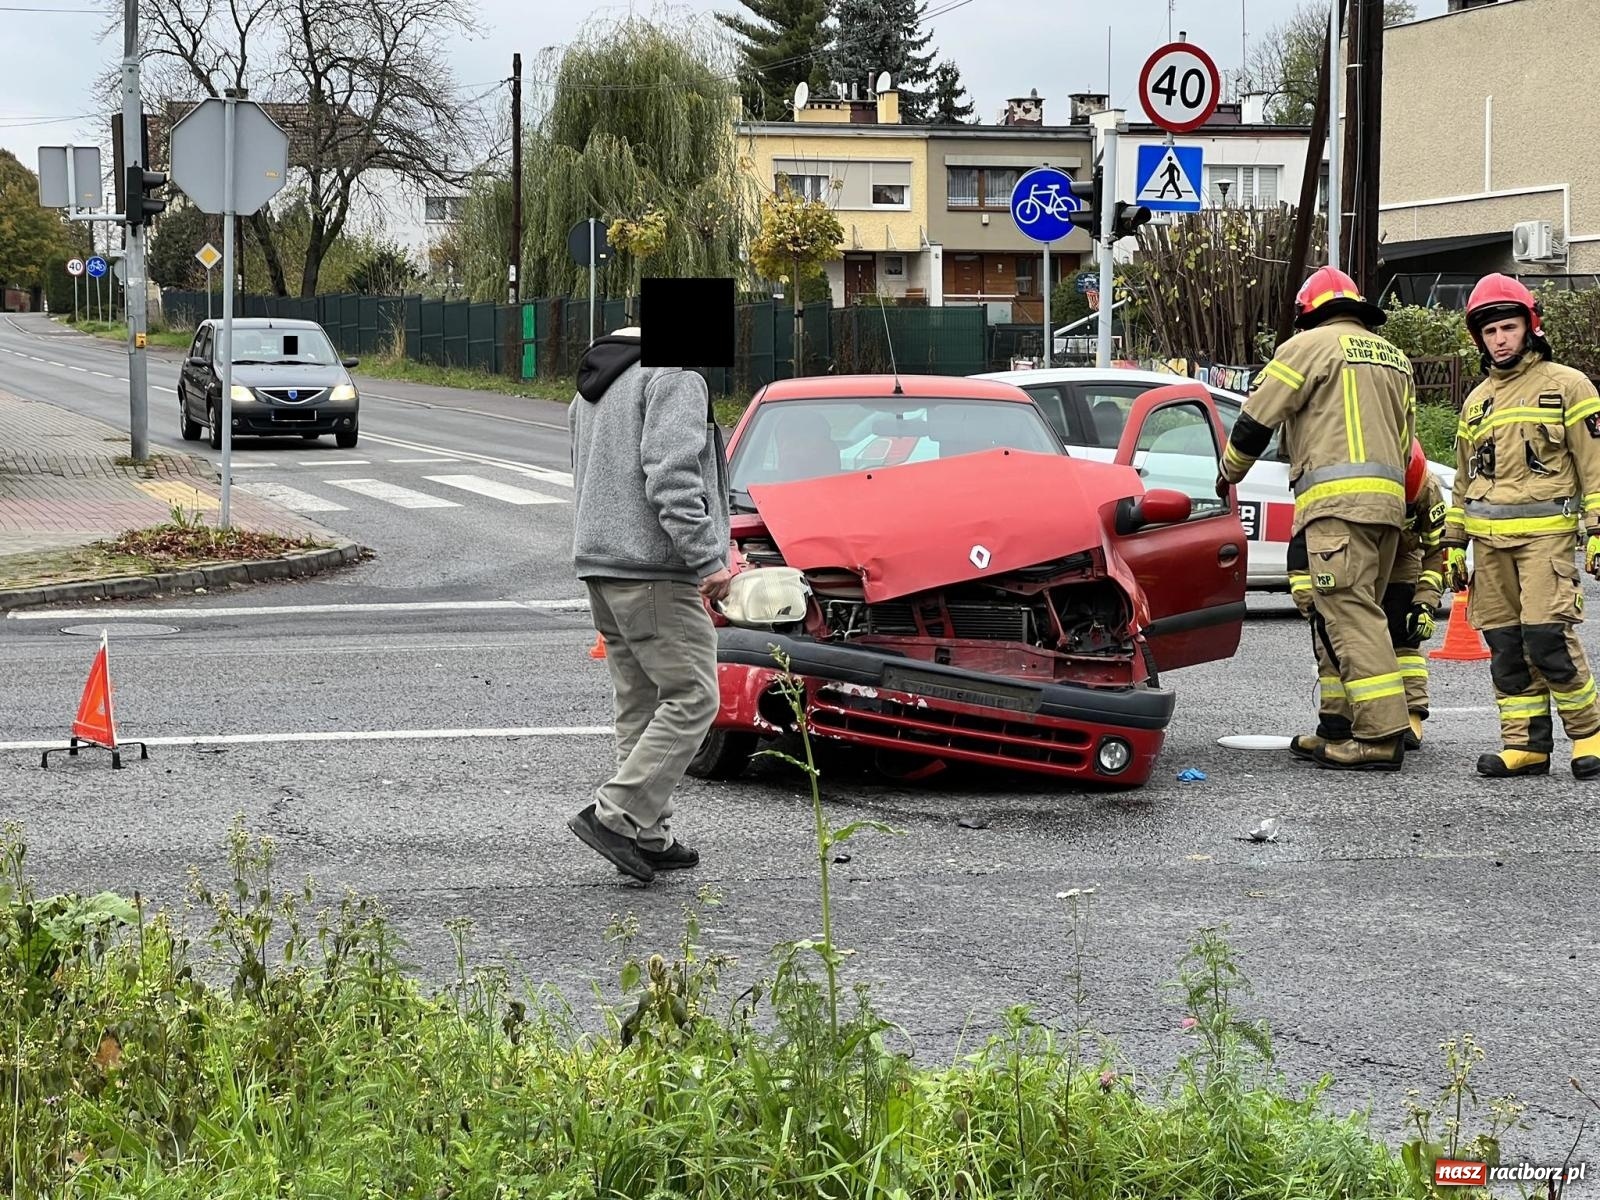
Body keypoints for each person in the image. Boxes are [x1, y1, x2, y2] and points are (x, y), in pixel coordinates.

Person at [1218, 265, 1418, 770]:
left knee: (1349, 615)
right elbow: (1405, 440)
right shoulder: (1393, 357)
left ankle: (1379, 736)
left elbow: (1255, 420)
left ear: (1307, 314)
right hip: (1386, 508)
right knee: (1348, 614)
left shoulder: (1305, 348)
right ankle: (1337, 725)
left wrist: (1228, 472)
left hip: (1336, 506)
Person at [565, 326, 732, 882]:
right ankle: (616, 817)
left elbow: (582, 469)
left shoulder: (600, 380)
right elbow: (673, 477)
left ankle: (648, 832)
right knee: (694, 698)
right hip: (655, 569)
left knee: (639, 700)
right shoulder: (675, 377)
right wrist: (709, 559)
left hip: (603, 564)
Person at [1441, 274, 1600, 779]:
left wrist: (1598, 531)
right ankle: (1526, 745)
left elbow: (1595, 467)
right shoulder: (1476, 402)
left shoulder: (1568, 386)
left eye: (1508, 328)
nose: (1500, 339)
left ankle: (1589, 734)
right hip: (1489, 548)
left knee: (1548, 638)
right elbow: (1464, 481)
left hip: (1545, 543)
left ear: (1530, 328)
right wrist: (1452, 545)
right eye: (1490, 333)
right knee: (1507, 647)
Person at [1386, 462, 1447, 749]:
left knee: (1404, 634)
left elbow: (1437, 551)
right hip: (1360, 556)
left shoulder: (1427, 487)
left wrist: (1424, 602)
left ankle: (1412, 716)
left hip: (1403, 559)